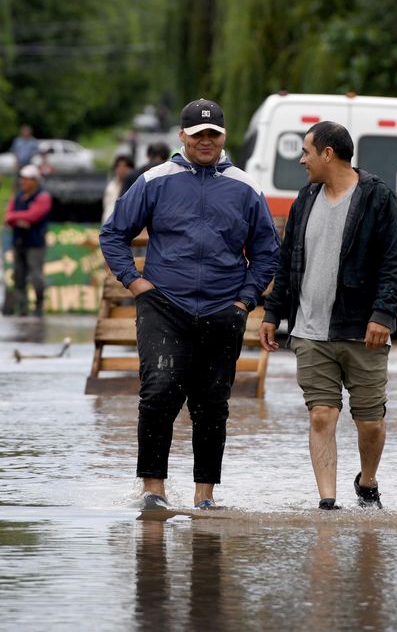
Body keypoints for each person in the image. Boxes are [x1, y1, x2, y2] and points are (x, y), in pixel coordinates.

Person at [100, 99, 280, 511]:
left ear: (224, 136)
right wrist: (136, 283)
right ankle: (153, 489)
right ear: (182, 136)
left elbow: (268, 251)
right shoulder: (154, 181)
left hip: (223, 308)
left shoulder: (245, 187)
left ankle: (205, 496)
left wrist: (245, 300)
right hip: (164, 306)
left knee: (212, 402)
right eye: (198, 134)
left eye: (213, 134)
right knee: (159, 392)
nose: (206, 141)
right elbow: (113, 233)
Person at [260, 121, 397, 511]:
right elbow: (288, 261)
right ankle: (327, 502)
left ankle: (367, 481)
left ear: (328, 154)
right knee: (322, 416)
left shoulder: (378, 197)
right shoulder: (305, 198)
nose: (301, 160)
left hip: (363, 331)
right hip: (311, 331)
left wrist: (383, 314)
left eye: (306, 152)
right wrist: (273, 313)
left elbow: (395, 263)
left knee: (370, 422)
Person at [3, 164, 52, 318]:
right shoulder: (18, 196)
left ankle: (39, 306)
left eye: (27, 179)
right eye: (22, 179)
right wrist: (19, 218)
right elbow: (7, 216)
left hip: (35, 243)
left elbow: (33, 216)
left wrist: (16, 217)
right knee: (19, 276)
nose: (23, 182)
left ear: (35, 181)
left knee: (36, 276)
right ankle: (22, 308)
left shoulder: (43, 196)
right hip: (18, 241)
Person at [101, 154, 135, 223]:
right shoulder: (111, 186)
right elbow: (107, 209)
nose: (122, 169)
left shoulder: (135, 187)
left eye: (125, 166)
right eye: (118, 166)